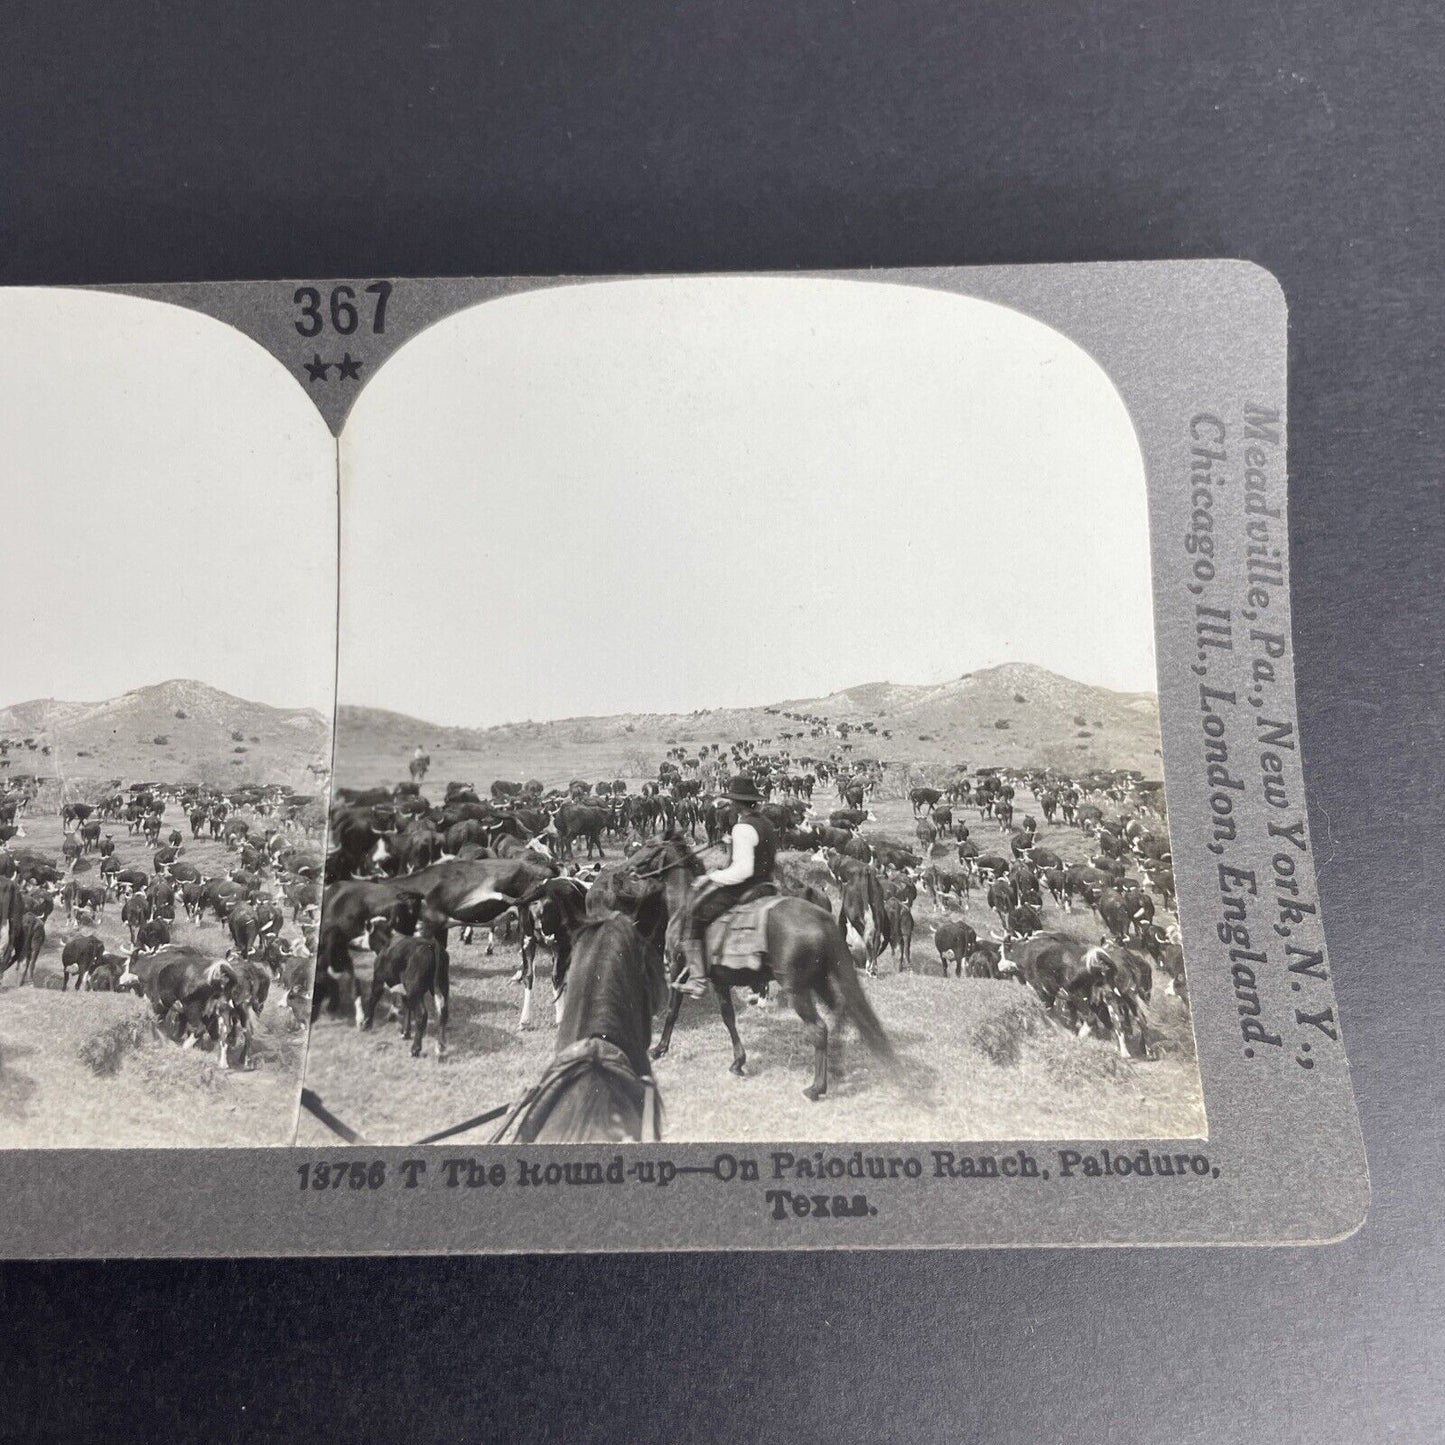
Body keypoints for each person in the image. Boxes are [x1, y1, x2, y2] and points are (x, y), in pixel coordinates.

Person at [676, 775, 779, 998]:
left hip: (745, 887)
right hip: (768, 885)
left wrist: (712, 877)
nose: (731, 806)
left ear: (737, 804)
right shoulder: (766, 824)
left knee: (696, 914)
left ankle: (697, 980)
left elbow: (743, 871)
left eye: (732, 802)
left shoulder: (743, 828)